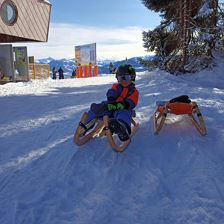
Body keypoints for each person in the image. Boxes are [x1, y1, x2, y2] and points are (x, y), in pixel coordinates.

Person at [79, 64, 139, 141]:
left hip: (122, 108)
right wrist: (111, 98)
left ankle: (121, 127)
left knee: (124, 114)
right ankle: (86, 125)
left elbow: (132, 101)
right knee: (98, 107)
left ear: (132, 78)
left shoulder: (133, 91)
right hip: (111, 106)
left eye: (126, 78)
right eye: (120, 78)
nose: (122, 80)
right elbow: (112, 92)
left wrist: (123, 104)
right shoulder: (116, 86)